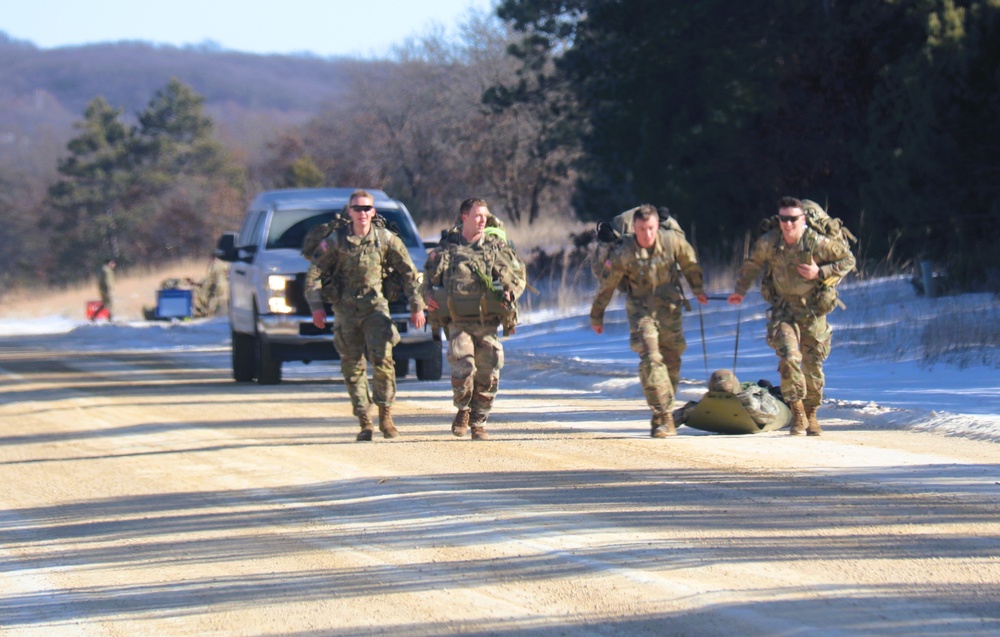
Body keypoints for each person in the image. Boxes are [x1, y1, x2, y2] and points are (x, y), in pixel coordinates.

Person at [304, 190, 426, 441]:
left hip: (375, 308)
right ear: (349, 212)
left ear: (373, 212)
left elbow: (409, 273)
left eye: (366, 208)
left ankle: (385, 415)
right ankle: (364, 420)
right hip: (345, 310)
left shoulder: (385, 239)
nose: (362, 213)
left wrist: (417, 305)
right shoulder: (336, 241)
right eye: (357, 208)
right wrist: (317, 307)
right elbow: (314, 274)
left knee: (384, 361)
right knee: (352, 366)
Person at [727, 196, 856, 436]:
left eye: (793, 219)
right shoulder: (770, 242)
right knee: (789, 356)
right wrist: (739, 291)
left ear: (802, 220)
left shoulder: (816, 242)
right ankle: (796, 410)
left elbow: (848, 260)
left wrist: (821, 271)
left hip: (813, 310)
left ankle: (811, 413)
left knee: (813, 365)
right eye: (783, 219)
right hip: (783, 309)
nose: (787, 224)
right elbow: (753, 265)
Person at [590, 204, 708, 438]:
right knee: (651, 359)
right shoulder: (624, 251)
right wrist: (597, 315)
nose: (647, 234)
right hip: (640, 311)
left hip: (670, 308)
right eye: (642, 229)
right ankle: (663, 414)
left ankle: (662, 413)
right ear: (634, 228)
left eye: (652, 228)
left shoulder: (671, 242)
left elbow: (689, 263)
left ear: (658, 227)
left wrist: (699, 289)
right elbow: (607, 285)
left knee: (672, 362)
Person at [421, 198, 526, 441]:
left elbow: (518, 276)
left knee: (489, 372)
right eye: (477, 215)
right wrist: (426, 298)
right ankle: (463, 409)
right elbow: (425, 280)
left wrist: (511, 293)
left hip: (487, 321)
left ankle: (478, 421)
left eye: (485, 216)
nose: (482, 220)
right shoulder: (447, 249)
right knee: (464, 364)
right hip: (457, 322)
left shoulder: (496, 248)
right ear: (464, 217)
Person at [672, 369, 791, 430]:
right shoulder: (749, 400)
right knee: (770, 387)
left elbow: (677, 417)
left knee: (765, 385)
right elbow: (769, 415)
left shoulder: (706, 406)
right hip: (774, 403)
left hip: (756, 394)